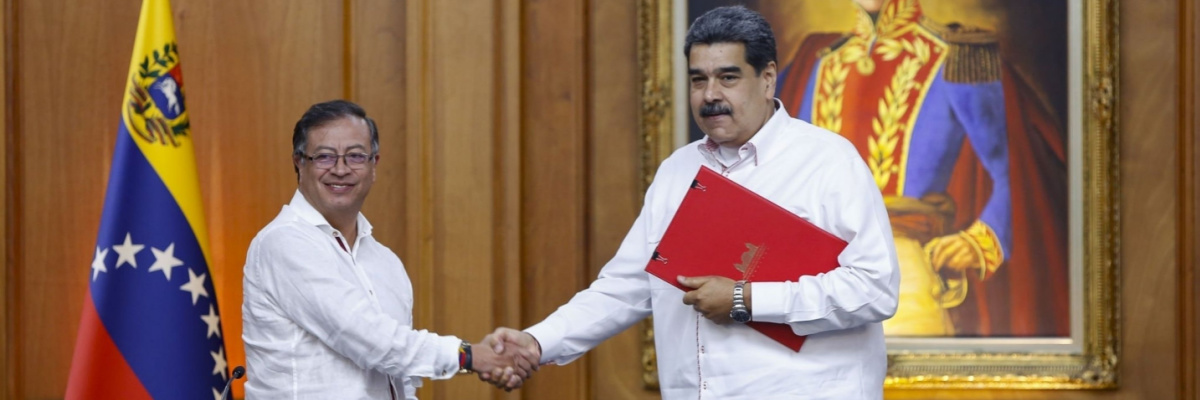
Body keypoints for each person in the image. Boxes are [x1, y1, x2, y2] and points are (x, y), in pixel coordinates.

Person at [482, 7, 900, 399]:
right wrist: (537, 342)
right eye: (698, 80)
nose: (709, 95)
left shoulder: (827, 160)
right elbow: (625, 288)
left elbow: (875, 289)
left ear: (768, 77)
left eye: (728, 78)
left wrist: (745, 298)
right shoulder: (678, 171)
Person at [775, 0, 1068, 336]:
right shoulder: (813, 61)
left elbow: (1014, 174)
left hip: (905, 271)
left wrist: (979, 241)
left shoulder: (957, 58)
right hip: (814, 272)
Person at [241, 100, 533, 399]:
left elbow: (399, 378)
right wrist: (469, 356)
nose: (340, 169)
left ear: (374, 165)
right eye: (324, 157)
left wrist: (478, 358)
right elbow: (365, 337)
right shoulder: (283, 243)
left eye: (355, 156)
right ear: (299, 163)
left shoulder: (385, 262)